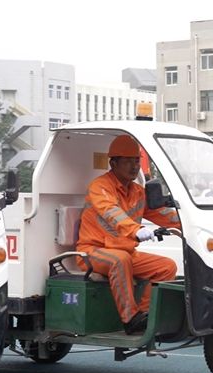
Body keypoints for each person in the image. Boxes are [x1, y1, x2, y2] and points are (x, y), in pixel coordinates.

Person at [76, 135, 180, 334]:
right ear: (113, 163)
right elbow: (111, 211)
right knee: (120, 260)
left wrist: (190, 224)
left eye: (137, 161)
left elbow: (162, 214)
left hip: (125, 253)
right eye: (128, 161)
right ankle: (130, 319)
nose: (134, 167)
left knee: (167, 267)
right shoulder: (100, 187)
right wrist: (136, 230)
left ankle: (147, 315)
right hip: (92, 252)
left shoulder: (138, 192)